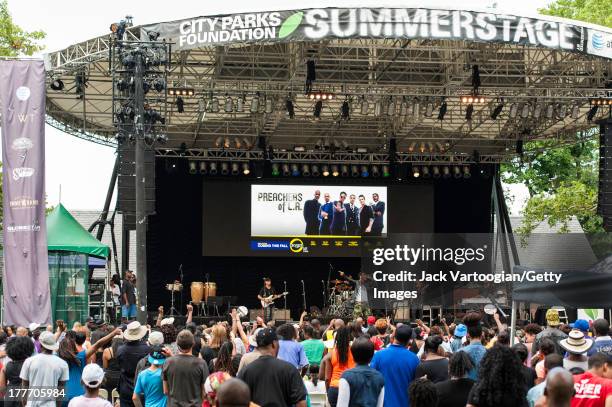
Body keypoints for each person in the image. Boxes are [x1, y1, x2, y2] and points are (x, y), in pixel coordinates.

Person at [237, 328, 307, 407]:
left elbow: (237, 399)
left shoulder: (246, 371)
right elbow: (301, 403)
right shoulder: (289, 369)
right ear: (274, 344)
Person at [60, 328, 121, 405]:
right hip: (79, 392)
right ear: (73, 347)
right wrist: (113, 333)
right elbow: (97, 344)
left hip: (62, 394)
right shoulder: (80, 357)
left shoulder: (57, 360)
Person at [371, 324, 420, 407]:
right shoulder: (414, 358)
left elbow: (371, 381)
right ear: (409, 340)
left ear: (394, 336)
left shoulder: (378, 355)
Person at [20, 331, 70, 407]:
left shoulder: (29, 361)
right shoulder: (62, 364)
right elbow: (61, 391)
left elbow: (24, 386)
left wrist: (25, 404)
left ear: (40, 344)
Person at [162, 330, 208, 407]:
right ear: (193, 344)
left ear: (177, 344)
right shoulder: (201, 364)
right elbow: (204, 392)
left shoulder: (168, 362)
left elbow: (165, 391)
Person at [337, 337, 385, 407]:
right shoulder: (380, 377)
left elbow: (341, 405)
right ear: (372, 357)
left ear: (353, 356)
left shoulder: (346, 377)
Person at [117, 321, 151, 407]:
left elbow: (120, 365)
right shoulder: (147, 349)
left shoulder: (121, 349)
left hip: (125, 387)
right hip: (142, 387)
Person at [321, 327, 355, 407]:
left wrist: (328, 392)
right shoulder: (354, 352)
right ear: (349, 338)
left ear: (336, 338)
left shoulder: (330, 354)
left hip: (334, 388)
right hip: (350, 387)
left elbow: (327, 378)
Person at [0, 336, 35, 407]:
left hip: (10, 397)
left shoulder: (6, 366)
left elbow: (2, 387)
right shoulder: (30, 365)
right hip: (27, 397)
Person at [459, 312, 487, 381]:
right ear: (481, 334)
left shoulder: (459, 353)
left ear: (467, 335)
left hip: (465, 390)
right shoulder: (490, 353)